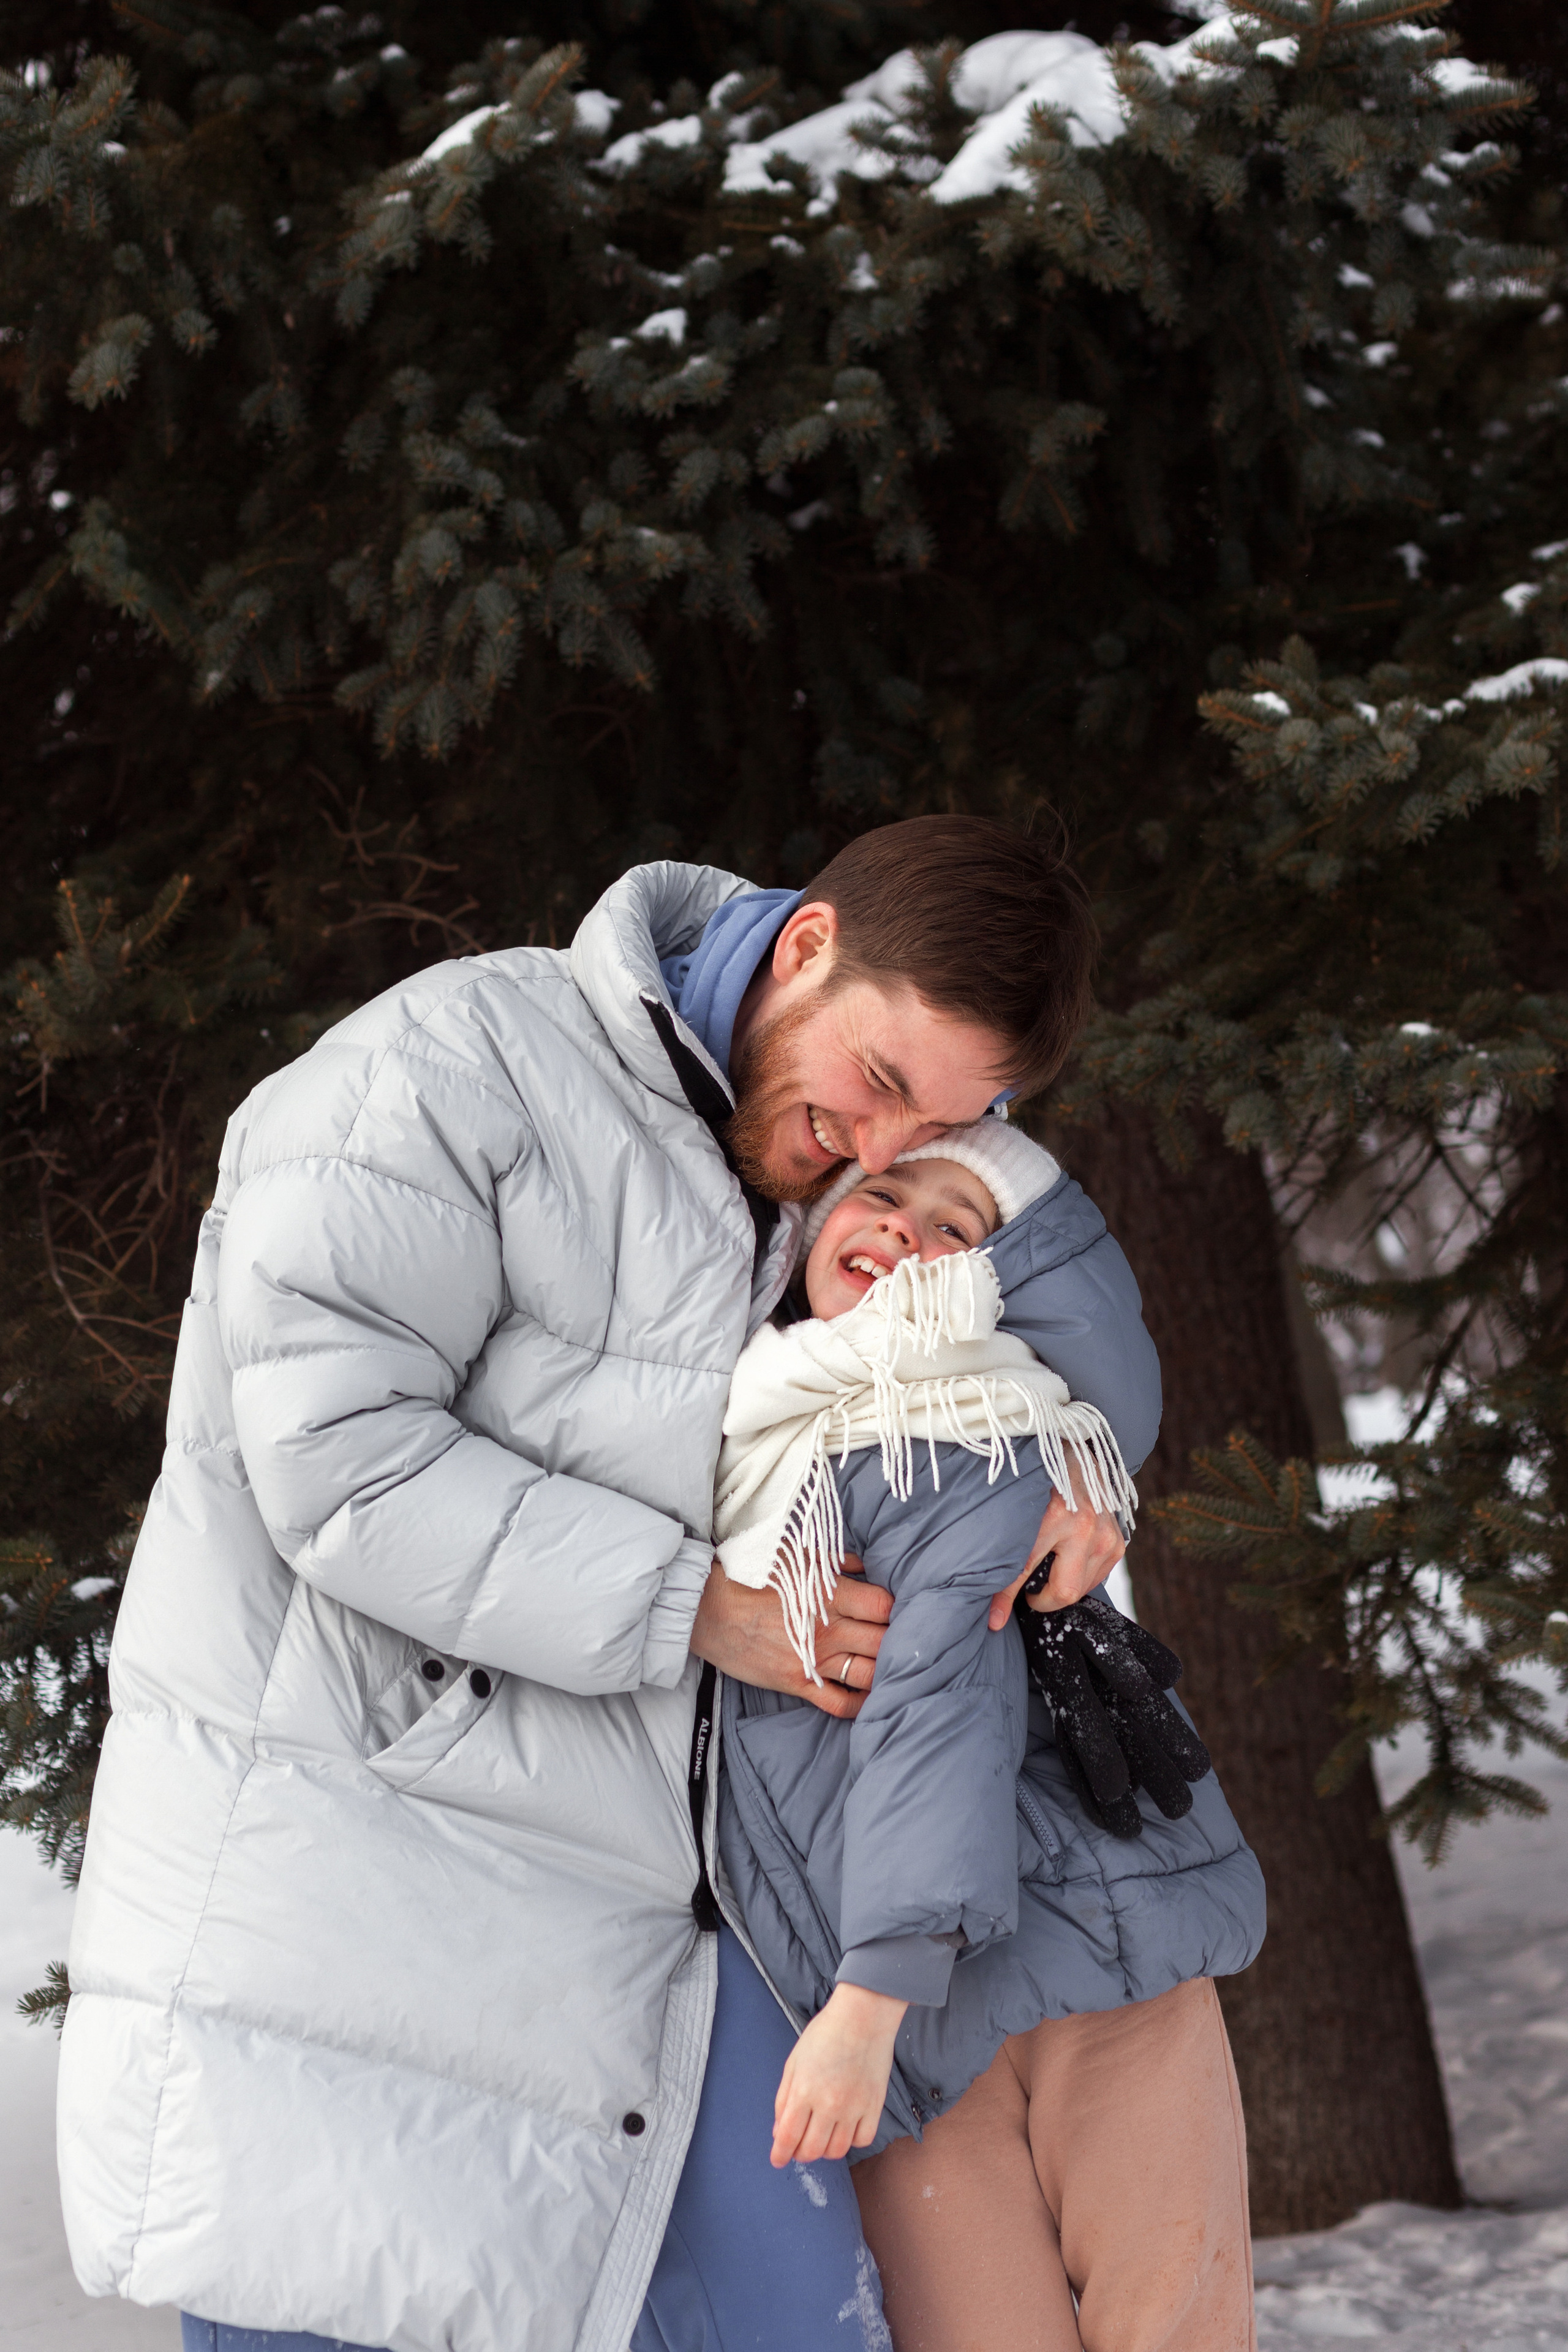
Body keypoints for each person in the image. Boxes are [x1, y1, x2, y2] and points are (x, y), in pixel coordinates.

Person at [58, 818, 1152, 2352]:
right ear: (806, 946)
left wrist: (1084, 1454)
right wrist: (694, 1609)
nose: (881, 1150)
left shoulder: (809, 1166)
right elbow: (341, 1462)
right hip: (355, 1880)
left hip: (655, 1910)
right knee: (366, 2291)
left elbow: (1009, 1286)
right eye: (878, 1082)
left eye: (940, 1125)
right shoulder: (447, 1066)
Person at [710, 1131, 1264, 2351]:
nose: (906, 1228)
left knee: (1171, 2327)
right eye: (881, 1194)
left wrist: (866, 2006)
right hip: (903, 2023)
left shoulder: (964, 1423)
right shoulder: (754, 1445)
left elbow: (936, 1704)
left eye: (956, 1228)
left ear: (994, 1283)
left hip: (1056, 1974)